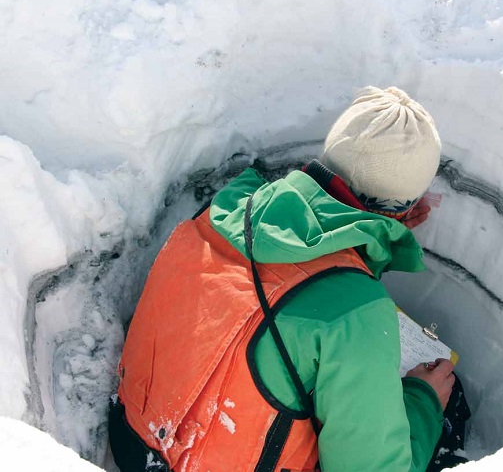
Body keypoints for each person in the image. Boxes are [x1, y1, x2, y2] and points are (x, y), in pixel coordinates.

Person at [109, 86, 467, 472]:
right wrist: (424, 403)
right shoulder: (358, 312)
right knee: (445, 395)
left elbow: (290, 280)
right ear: (407, 206)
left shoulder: (227, 208)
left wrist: (369, 236)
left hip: (132, 440)